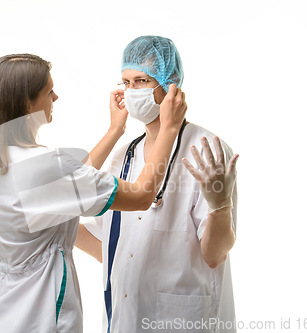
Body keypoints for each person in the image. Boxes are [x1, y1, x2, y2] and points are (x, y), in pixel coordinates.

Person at [0, 53, 187, 333]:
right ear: (26, 103)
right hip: (40, 316)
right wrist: (169, 128)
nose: (56, 98)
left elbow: (67, 185)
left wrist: (114, 131)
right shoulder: (47, 166)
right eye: (49, 91)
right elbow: (142, 196)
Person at [76, 36, 239, 333]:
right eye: (125, 82)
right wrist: (54, 215)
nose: (130, 91)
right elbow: (109, 247)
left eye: (141, 80)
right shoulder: (125, 155)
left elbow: (215, 255)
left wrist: (220, 206)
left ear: (170, 84)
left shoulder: (206, 151)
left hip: (182, 320)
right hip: (126, 316)